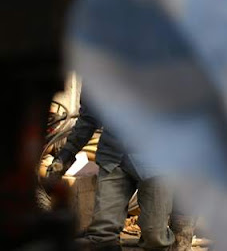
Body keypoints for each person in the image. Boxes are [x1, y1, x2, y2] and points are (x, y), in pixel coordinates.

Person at [47, 90, 195, 250]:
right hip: (113, 157)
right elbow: (89, 118)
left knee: (154, 236)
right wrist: (65, 155)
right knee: (102, 234)